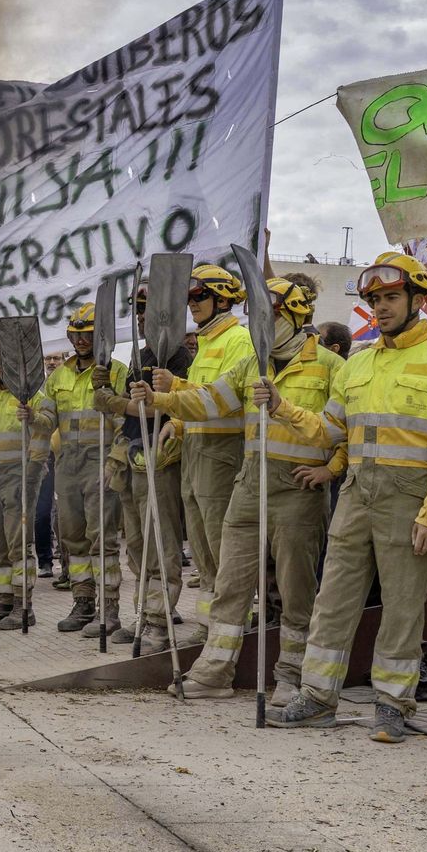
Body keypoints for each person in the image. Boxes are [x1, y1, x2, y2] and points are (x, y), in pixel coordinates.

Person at [263, 253, 427, 743]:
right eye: (375, 299)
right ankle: (316, 698)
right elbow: (328, 431)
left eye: (391, 297)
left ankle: (392, 705)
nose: (381, 307)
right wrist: (283, 406)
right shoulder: (357, 366)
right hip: (356, 492)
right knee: (332, 600)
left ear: (419, 300)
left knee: (402, 606)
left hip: (410, 499)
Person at [136, 279, 344, 698]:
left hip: (298, 488)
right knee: (230, 581)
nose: (260, 325)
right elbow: (210, 401)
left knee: (295, 588)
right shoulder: (253, 363)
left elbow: (344, 432)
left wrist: (330, 471)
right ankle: (214, 672)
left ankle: (289, 675)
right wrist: (161, 401)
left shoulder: (331, 366)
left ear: (295, 316)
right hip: (250, 481)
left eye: (270, 316)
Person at [149, 265, 255, 637]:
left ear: (222, 299)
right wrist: (177, 422)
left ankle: (231, 626)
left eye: (199, 296)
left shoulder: (239, 340)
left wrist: (173, 387)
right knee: (200, 546)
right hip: (197, 450)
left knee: (220, 544)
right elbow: (198, 396)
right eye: (188, 298)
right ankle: (212, 625)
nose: (191, 304)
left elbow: (222, 401)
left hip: (221, 453)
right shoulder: (208, 340)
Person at [107, 291, 190, 649]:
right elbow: (134, 411)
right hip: (134, 461)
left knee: (161, 543)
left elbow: (159, 409)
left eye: (148, 312)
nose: (142, 319)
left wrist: (114, 402)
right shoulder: (141, 356)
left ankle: (160, 621)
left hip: (162, 459)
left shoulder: (178, 357)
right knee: (138, 544)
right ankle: (144, 614)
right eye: (138, 313)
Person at [38, 302, 126, 634]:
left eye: (87, 333)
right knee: (72, 538)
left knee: (101, 538)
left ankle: (110, 608)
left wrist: (116, 460)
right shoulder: (58, 376)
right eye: (76, 334)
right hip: (67, 466)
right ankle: (84, 601)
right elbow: (49, 419)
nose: (81, 340)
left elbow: (124, 422)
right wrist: (32, 416)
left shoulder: (115, 371)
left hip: (100, 462)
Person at [0, 341, 56, 629]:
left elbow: (48, 426)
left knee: (19, 544)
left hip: (21, 476)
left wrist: (32, 471)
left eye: (3, 362)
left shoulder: (34, 396)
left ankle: (24, 606)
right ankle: (5, 600)